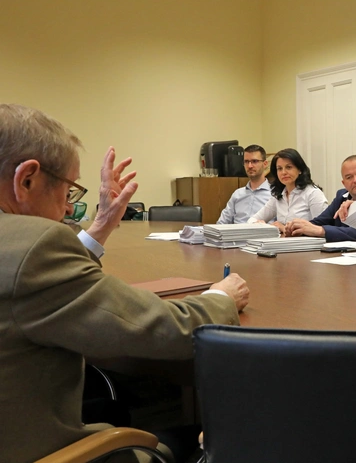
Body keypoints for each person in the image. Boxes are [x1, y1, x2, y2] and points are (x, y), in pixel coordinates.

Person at [0, 104, 250, 463]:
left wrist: (101, 223)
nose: (68, 209)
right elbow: (159, 329)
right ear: (27, 180)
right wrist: (220, 298)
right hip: (44, 451)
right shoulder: (33, 245)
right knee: (212, 439)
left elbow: (35, 288)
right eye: (69, 192)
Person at [285, 154, 356, 242]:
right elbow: (318, 222)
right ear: (344, 183)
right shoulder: (341, 197)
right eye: (349, 177)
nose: (355, 180)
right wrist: (297, 227)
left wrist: (322, 231)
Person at [247, 148, 328, 235]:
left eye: (288, 167)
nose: (283, 172)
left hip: (308, 243)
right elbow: (251, 220)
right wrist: (263, 226)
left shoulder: (313, 193)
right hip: (283, 242)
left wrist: (283, 228)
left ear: (300, 169)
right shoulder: (278, 195)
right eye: (279, 168)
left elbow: (323, 228)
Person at [216, 144, 271, 224]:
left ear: (265, 164)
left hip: (262, 231)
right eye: (246, 162)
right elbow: (222, 223)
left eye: (254, 161)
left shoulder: (274, 195)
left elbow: (281, 225)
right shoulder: (237, 194)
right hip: (236, 231)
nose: (250, 166)